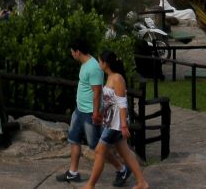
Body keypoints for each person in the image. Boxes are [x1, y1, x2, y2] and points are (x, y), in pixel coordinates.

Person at [82, 51, 148, 189]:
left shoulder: (117, 79)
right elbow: (109, 101)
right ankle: (142, 182)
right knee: (126, 153)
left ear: (106, 64)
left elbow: (122, 103)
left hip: (116, 123)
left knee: (99, 151)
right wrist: (101, 114)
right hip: (111, 121)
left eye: (100, 61)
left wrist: (124, 125)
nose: (98, 63)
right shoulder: (110, 77)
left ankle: (90, 185)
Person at [59, 40, 105, 183]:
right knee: (74, 140)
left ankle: (120, 167)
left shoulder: (93, 68)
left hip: (90, 113)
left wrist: (96, 113)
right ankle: (73, 172)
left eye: (72, 51)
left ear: (77, 51)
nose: (71, 54)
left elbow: (97, 92)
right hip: (79, 111)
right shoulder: (85, 65)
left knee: (97, 146)